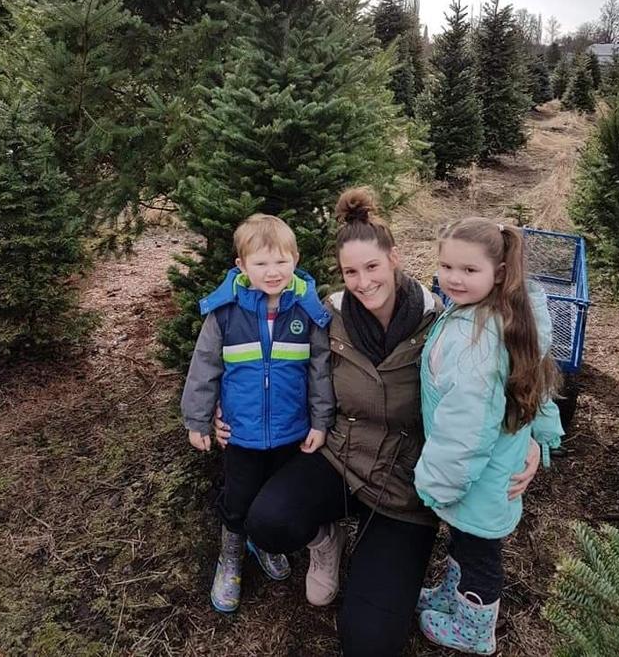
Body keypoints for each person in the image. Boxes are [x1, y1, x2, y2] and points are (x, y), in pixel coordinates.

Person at [214, 189, 542, 657]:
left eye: (372, 267)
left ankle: (384, 557)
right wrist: (221, 406)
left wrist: (532, 438)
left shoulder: (441, 319)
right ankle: (324, 537)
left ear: (395, 259)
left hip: (406, 488)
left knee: (369, 642)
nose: (363, 282)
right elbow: (268, 359)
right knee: (266, 522)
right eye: (351, 272)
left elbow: (509, 375)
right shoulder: (326, 316)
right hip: (340, 459)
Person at [414, 218, 564, 655]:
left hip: (478, 476)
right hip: (492, 470)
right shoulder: (506, 314)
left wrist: (438, 483)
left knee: (480, 555)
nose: (454, 279)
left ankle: (476, 629)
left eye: (468, 270)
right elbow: (537, 388)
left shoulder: (476, 340)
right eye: (446, 266)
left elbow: (468, 429)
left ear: (498, 273)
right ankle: (452, 594)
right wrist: (542, 436)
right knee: (465, 540)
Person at [181, 213, 334, 613]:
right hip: (242, 433)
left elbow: (320, 370)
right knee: (239, 498)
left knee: (273, 496)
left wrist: (320, 421)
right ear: (242, 267)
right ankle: (230, 556)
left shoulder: (306, 311)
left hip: (291, 431)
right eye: (261, 263)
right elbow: (204, 367)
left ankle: (262, 542)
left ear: (295, 259)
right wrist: (198, 420)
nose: (273, 272)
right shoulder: (225, 313)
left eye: (281, 261)